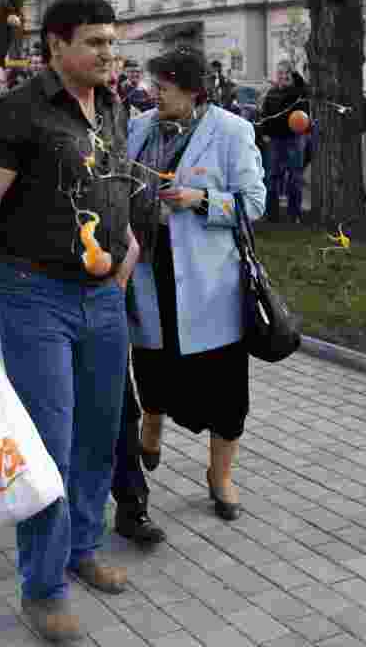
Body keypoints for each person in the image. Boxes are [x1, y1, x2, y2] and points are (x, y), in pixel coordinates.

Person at [0, 0, 139, 642]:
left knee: (99, 429)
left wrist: (131, 241)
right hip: (35, 296)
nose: (108, 56)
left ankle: (83, 547)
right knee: (48, 445)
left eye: (112, 44)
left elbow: (110, 178)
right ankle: (42, 586)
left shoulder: (113, 104)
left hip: (103, 295)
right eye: (95, 43)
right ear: (56, 45)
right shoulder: (16, 113)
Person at [114, 47, 265, 537]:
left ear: (193, 89)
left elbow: (255, 204)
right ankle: (151, 425)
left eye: (163, 86)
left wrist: (201, 200)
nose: (152, 94)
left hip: (206, 283)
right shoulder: (138, 127)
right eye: (152, 85)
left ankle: (220, 476)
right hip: (147, 272)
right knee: (152, 366)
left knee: (222, 388)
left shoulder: (231, 131)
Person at [258, 60, 309, 222]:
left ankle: (294, 214)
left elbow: (304, 88)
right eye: (280, 73)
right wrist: (265, 133)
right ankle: (271, 214)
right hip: (275, 140)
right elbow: (265, 115)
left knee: (295, 177)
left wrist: (294, 74)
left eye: (286, 73)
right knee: (272, 176)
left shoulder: (296, 92)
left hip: (294, 138)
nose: (283, 76)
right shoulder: (272, 93)